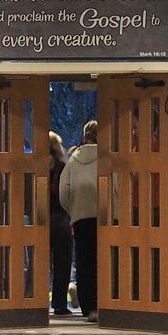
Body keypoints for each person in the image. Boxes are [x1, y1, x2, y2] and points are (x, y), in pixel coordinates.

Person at [58, 119, 100, 320]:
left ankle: (88, 306)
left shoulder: (74, 161)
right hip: (105, 218)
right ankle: (106, 304)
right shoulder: (107, 158)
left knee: (84, 262)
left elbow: (63, 191)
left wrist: (72, 210)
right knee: (104, 261)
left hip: (81, 218)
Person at [47, 130, 74, 317]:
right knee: (62, 264)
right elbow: (68, 194)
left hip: (40, 220)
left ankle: (31, 301)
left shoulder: (33, 167)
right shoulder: (64, 168)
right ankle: (59, 303)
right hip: (62, 220)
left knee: (38, 264)